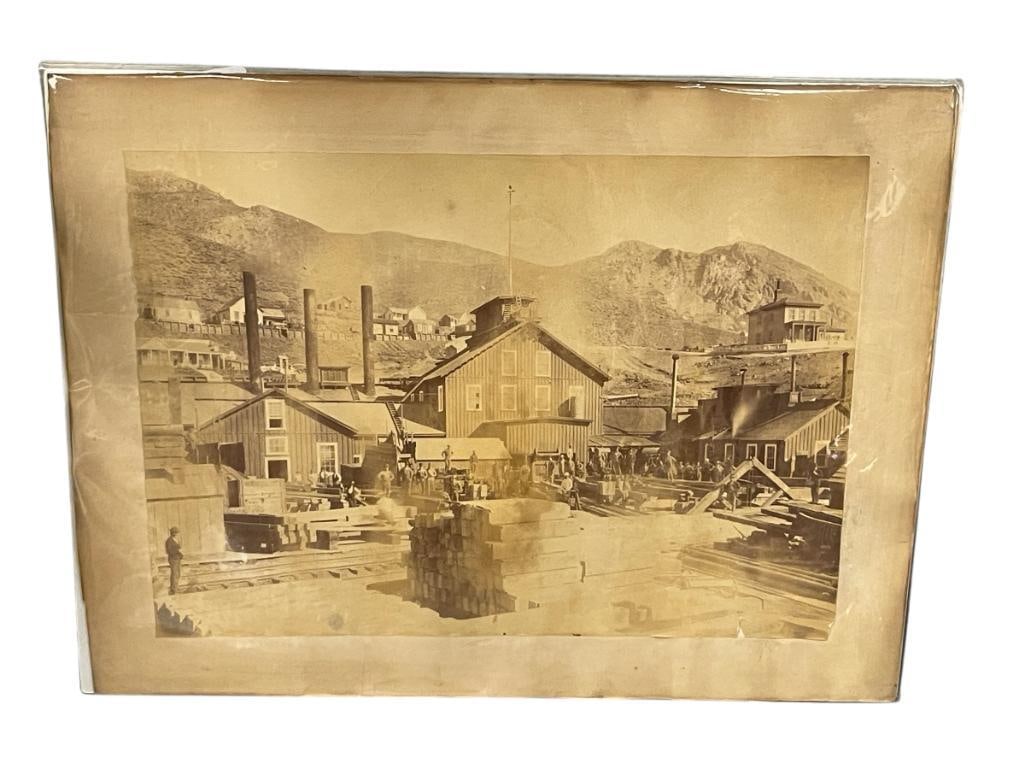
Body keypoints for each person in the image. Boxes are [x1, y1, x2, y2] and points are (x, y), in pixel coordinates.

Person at [165, 526, 183, 595]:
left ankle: (176, 587)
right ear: (174, 533)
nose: (178, 534)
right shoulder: (169, 541)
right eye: (177, 533)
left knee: (178, 574)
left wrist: (180, 554)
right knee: (174, 574)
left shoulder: (175, 540)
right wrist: (178, 551)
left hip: (177, 559)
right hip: (173, 559)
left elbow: (177, 549)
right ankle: (173, 590)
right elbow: (169, 551)